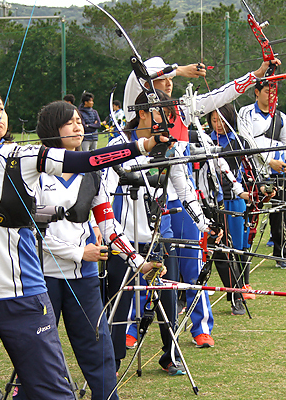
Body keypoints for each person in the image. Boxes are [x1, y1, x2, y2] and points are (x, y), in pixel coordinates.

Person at [0, 85, 166, 400]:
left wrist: (142, 145)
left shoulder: (24, 156)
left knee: (50, 392)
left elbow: (86, 162)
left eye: (1, 108)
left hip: (24, 299)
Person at [123, 56, 273, 346]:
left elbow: (222, 94)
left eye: (172, 79)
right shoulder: (138, 104)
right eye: (163, 78)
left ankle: (201, 327)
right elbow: (137, 74)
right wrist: (179, 69)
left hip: (181, 198)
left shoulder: (178, 109)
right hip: (145, 202)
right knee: (145, 265)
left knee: (193, 264)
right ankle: (130, 328)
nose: (169, 83)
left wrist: (256, 75)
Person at [26, 100, 160, 400]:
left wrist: (138, 261)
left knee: (97, 347)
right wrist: (78, 253)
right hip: (42, 277)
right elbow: (35, 232)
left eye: (79, 121)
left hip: (84, 279)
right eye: (69, 122)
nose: (78, 126)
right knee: (37, 351)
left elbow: (109, 227)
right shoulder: (34, 174)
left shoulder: (92, 173)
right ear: (52, 130)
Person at [105, 89, 219, 375]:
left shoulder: (174, 146)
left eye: (167, 114)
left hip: (159, 234)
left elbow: (184, 190)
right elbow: (106, 189)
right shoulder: (119, 143)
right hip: (124, 235)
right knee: (120, 299)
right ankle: (114, 360)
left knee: (166, 298)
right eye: (159, 112)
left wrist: (204, 223)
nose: (165, 119)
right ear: (142, 112)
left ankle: (169, 355)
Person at [237, 81, 286, 264]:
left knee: (281, 213)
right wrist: (269, 161)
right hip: (255, 174)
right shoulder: (246, 113)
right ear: (256, 92)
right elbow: (247, 142)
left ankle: (282, 255)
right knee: (249, 214)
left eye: (274, 91)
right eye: (267, 91)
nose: (271, 95)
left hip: (278, 173)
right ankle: (241, 253)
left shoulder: (280, 117)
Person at [204, 104, 254, 313]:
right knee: (212, 249)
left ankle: (242, 286)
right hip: (210, 202)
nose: (218, 124)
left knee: (237, 246)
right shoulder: (203, 140)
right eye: (214, 120)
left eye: (222, 120)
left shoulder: (239, 140)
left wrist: (249, 191)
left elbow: (248, 169)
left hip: (234, 199)